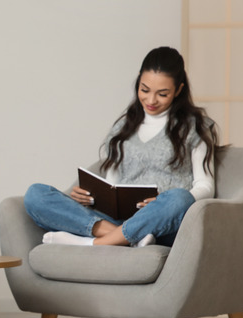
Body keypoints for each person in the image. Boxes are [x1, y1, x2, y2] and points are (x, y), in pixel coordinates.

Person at [24, 46, 221, 247]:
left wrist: (162, 201)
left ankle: (92, 243)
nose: (151, 100)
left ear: (178, 90)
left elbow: (205, 187)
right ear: (138, 81)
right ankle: (126, 237)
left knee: (180, 198)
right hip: (117, 218)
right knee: (36, 195)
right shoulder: (124, 126)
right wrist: (90, 198)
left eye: (162, 94)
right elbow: (112, 184)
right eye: (145, 90)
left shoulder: (196, 127)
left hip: (161, 222)